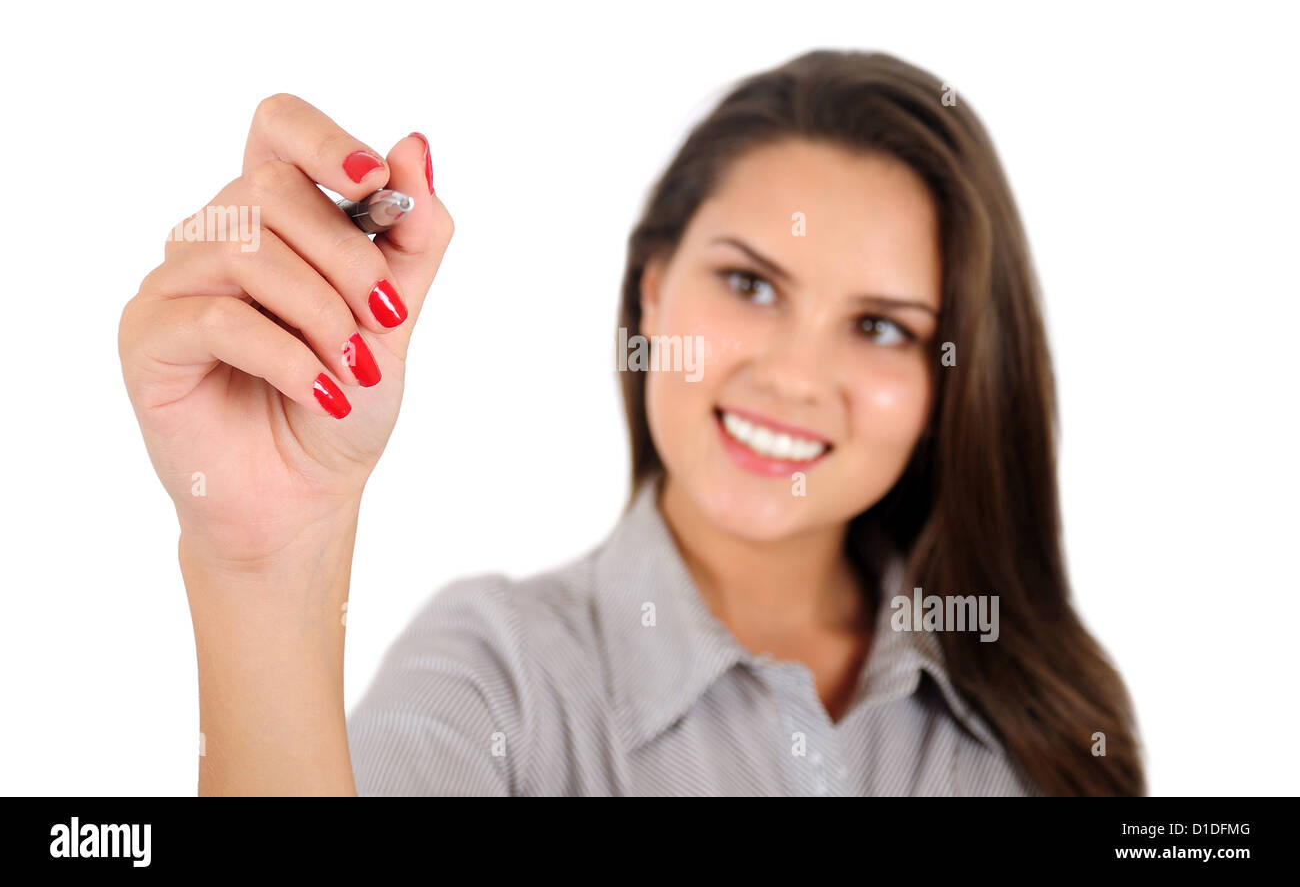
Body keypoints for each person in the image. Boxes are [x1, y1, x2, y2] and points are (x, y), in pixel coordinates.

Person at [118, 50, 1145, 796]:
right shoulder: (494, 682)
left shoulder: (1033, 721)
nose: (791, 375)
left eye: (879, 325)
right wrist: (259, 562)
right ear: (650, 293)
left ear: (951, 380)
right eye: (748, 282)